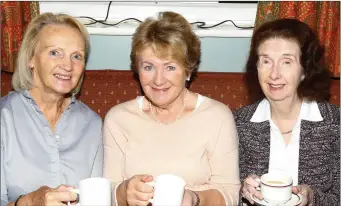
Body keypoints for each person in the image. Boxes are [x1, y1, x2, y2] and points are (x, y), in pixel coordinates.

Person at [103, 11, 240, 206]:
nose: (158, 80)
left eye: (170, 67)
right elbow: (107, 194)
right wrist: (124, 192)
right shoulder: (118, 119)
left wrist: (195, 199)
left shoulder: (217, 117)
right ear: (137, 70)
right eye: (149, 67)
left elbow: (231, 194)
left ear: (188, 70)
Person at [1, 13, 103, 206]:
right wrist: (30, 202)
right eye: (55, 52)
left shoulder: (92, 124)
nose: (67, 65)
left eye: (77, 56)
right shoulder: (4, 119)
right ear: (31, 59)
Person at [234, 18, 340, 206]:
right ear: (256, 67)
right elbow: (223, 189)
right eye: (266, 61)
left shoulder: (335, 123)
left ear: (305, 70)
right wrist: (242, 192)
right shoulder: (238, 123)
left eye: (286, 62)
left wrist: (312, 199)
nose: (274, 74)